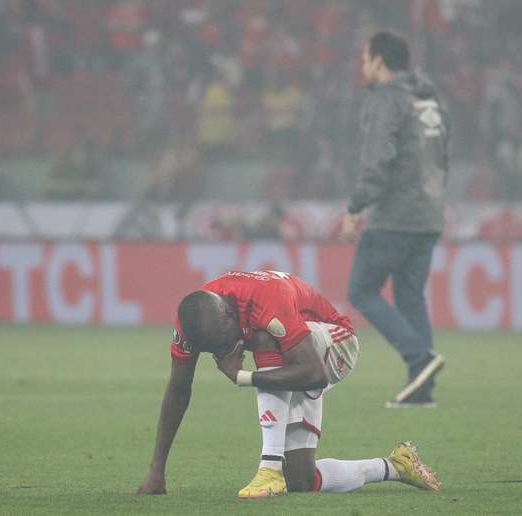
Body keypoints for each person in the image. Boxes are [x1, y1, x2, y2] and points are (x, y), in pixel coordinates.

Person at [136, 270, 440, 498]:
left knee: (263, 336)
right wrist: (156, 471)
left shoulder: (266, 299)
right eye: (211, 350)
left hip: (335, 345)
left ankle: (268, 468)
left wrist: (242, 377)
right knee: (301, 481)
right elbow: (178, 389)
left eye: (222, 342)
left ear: (229, 314)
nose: (222, 351)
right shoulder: (191, 323)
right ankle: (396, 466)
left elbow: (314, 373)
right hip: (293, 356)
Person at [342, 31, 448, 408]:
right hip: (429, 214)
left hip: (395, 217)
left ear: (381, 61)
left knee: (361, 290)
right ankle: (421, 391)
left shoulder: (387, 99)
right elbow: (441, 157)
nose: (363, 65)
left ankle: (419, 358)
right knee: (409, 295)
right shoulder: (428, 98)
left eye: (365, 58)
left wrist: (356, 207)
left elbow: (378, 159)